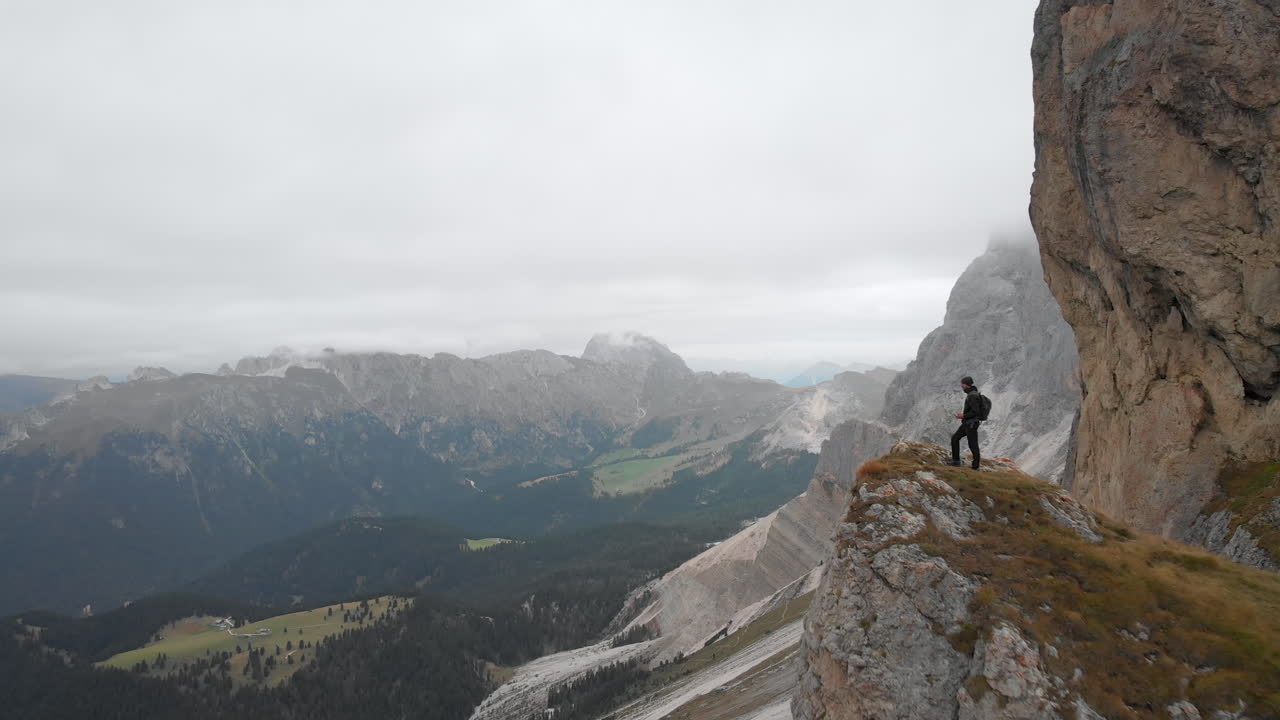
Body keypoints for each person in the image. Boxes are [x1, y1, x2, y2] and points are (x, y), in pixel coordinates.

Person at [949, 376, 982, 469]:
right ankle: (956, 461)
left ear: (966, 385)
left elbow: (975, 411)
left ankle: (975, 467)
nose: (961, 386)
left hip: (971, 424)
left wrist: (963, 416)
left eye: (962, 384)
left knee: (973, 445)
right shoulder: (972, 394)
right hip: (967, 423)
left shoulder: (972, 396)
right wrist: (964, 416)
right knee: (955, 438)